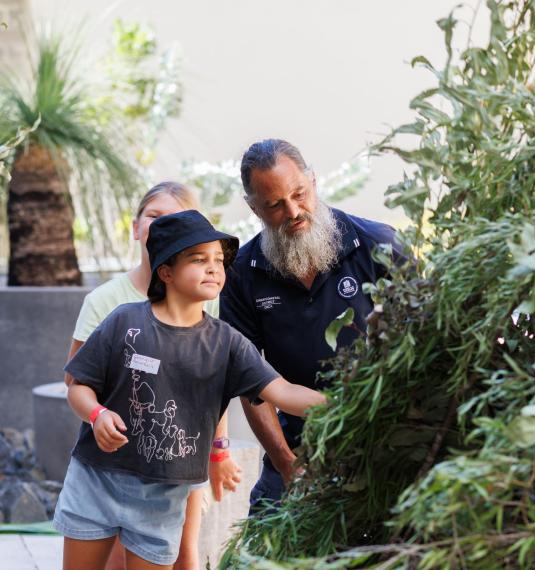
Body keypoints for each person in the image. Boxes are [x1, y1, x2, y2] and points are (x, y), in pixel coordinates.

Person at [55, 209, 326, 570]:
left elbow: (285, 393)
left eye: (219, 259)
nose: (214, 267)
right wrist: (97, 414)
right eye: (199, 259)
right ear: (166, 271)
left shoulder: (228, 344)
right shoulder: (124, 321)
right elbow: (77, 387)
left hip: (164, 499)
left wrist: (346, 403)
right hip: (95, 482)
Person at [219, 139, 406, 511]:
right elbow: (249, 380)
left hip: (382, 433)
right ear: (253, 207)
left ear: (313, 181)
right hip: (293, 441)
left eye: (299, 194)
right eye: (274, 205)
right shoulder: (241, 273)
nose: (293, 211)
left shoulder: (378, 245)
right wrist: (287, 463)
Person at [64, 182, 241, 570]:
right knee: (111, 557)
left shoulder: (204, 301)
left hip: (178, 459)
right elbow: (75, 379)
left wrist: (219, 449)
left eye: (176, 219)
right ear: (136, 227)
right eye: (154, 216)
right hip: (112, 463)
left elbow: (214, 388)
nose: (163, 226)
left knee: (183, 554)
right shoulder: (106, 302)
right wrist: (98, 417)